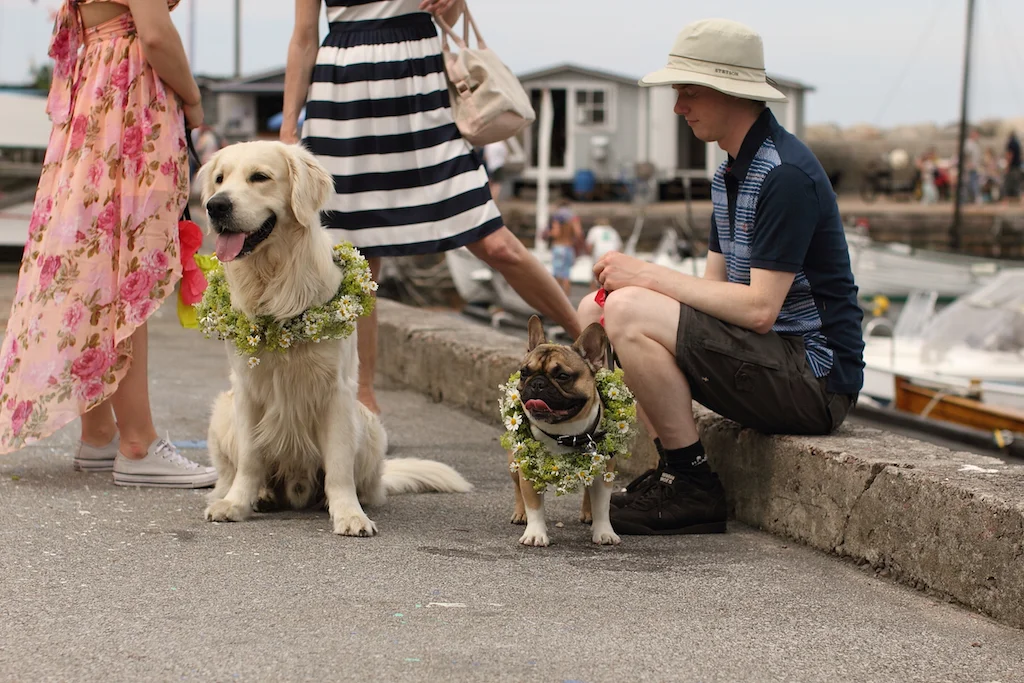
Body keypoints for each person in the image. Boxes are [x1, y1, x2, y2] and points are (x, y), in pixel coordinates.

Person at [580, 18, 864, 535]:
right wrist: (635, 284)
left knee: (625, 308)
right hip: (771, 359)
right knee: (596, 309)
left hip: (815, 379)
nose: (677, 106)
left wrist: (647, 275)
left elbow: (758, 309)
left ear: (729, 91)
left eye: (688, 91)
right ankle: (673, 471)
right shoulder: (730, 172)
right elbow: (713, 294)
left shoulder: (784, 175)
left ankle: (693, 485)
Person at [280, 0, 581, 415]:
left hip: (419, 93)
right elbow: (303, 38)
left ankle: (587, 343)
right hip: (342, 101)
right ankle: (363, 402)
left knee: (494, 242)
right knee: (358, 264)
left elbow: (446, 15)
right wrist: (288, 126)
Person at [0, 0, 217, 488]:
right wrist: (194, 98)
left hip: (95, 100)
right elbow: (156, 35)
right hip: (127, 101)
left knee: (99, 266)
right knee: (126, 270)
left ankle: (100, 434)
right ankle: (137, 442)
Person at [546, 200, 583, 297]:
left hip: (558, 246)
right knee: (566, 275)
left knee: (557, 275)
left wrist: (548, 233)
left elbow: (556, 233)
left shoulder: (557, 217)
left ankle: (557, 299)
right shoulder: (573, 218)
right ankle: (566, 299)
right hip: (568, 247)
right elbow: (578, 233)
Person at [583, 216, 622, 290]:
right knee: (610, 276)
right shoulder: (612, 231)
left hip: (599, 254)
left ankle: (593, 295)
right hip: (611, 254)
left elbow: (589, 245)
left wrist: (589, 254)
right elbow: (618, 247)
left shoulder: (594, 230)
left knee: (594, 275)